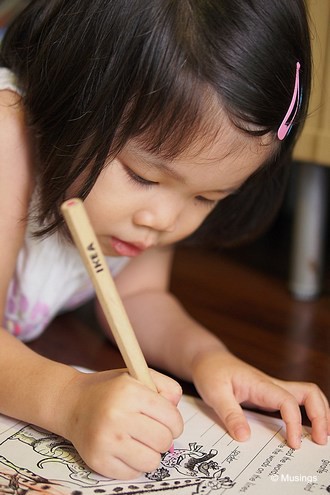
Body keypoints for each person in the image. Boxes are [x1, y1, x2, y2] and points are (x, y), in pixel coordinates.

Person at [0, 0, 329, 481]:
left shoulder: (155, 206)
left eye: (206, 196)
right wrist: (68, 400)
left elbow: (141, 296)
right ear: (77, 89)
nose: (164, 220)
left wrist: (209, 358)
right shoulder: (8, 135)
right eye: (143, 176)